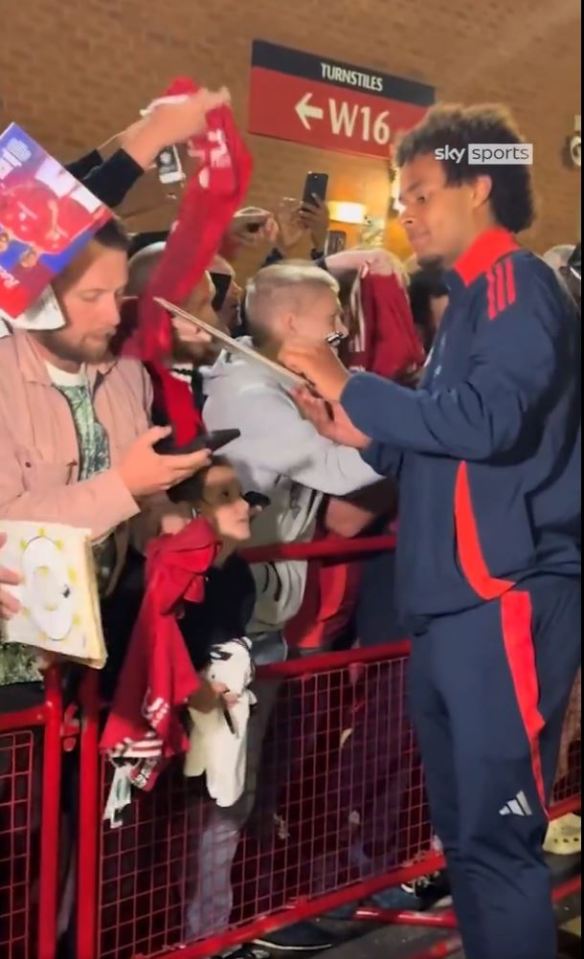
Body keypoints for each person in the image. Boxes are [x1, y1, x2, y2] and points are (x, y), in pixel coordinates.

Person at [278, 104, 581, 959]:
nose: (404, 210)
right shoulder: (478, 301)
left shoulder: (519, 285)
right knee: (469, 837)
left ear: (480, 186)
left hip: (503, 600)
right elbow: (456, 451)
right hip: (456, 608)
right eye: (400, 194)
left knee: (497, 841)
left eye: (419, 190)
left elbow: (486, 424)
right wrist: (362, 432)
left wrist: (351, 380)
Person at [0, 219, 210, 687]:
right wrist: (126, 487)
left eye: (117, 295)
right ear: (38, 297)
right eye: (91, 297)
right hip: (15, 666)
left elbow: (134, 502)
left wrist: (160, 519)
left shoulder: (127, 373)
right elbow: (9, 524)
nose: (113, 317)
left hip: (98, 643)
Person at [203, 262, 383, 638]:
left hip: (263, 600)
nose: (342, 330)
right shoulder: (251, 397)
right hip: (242, 606)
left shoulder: (278, 382)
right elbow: (339, 470)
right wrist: (410, 432)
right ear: (291, 324)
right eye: (332, 317)